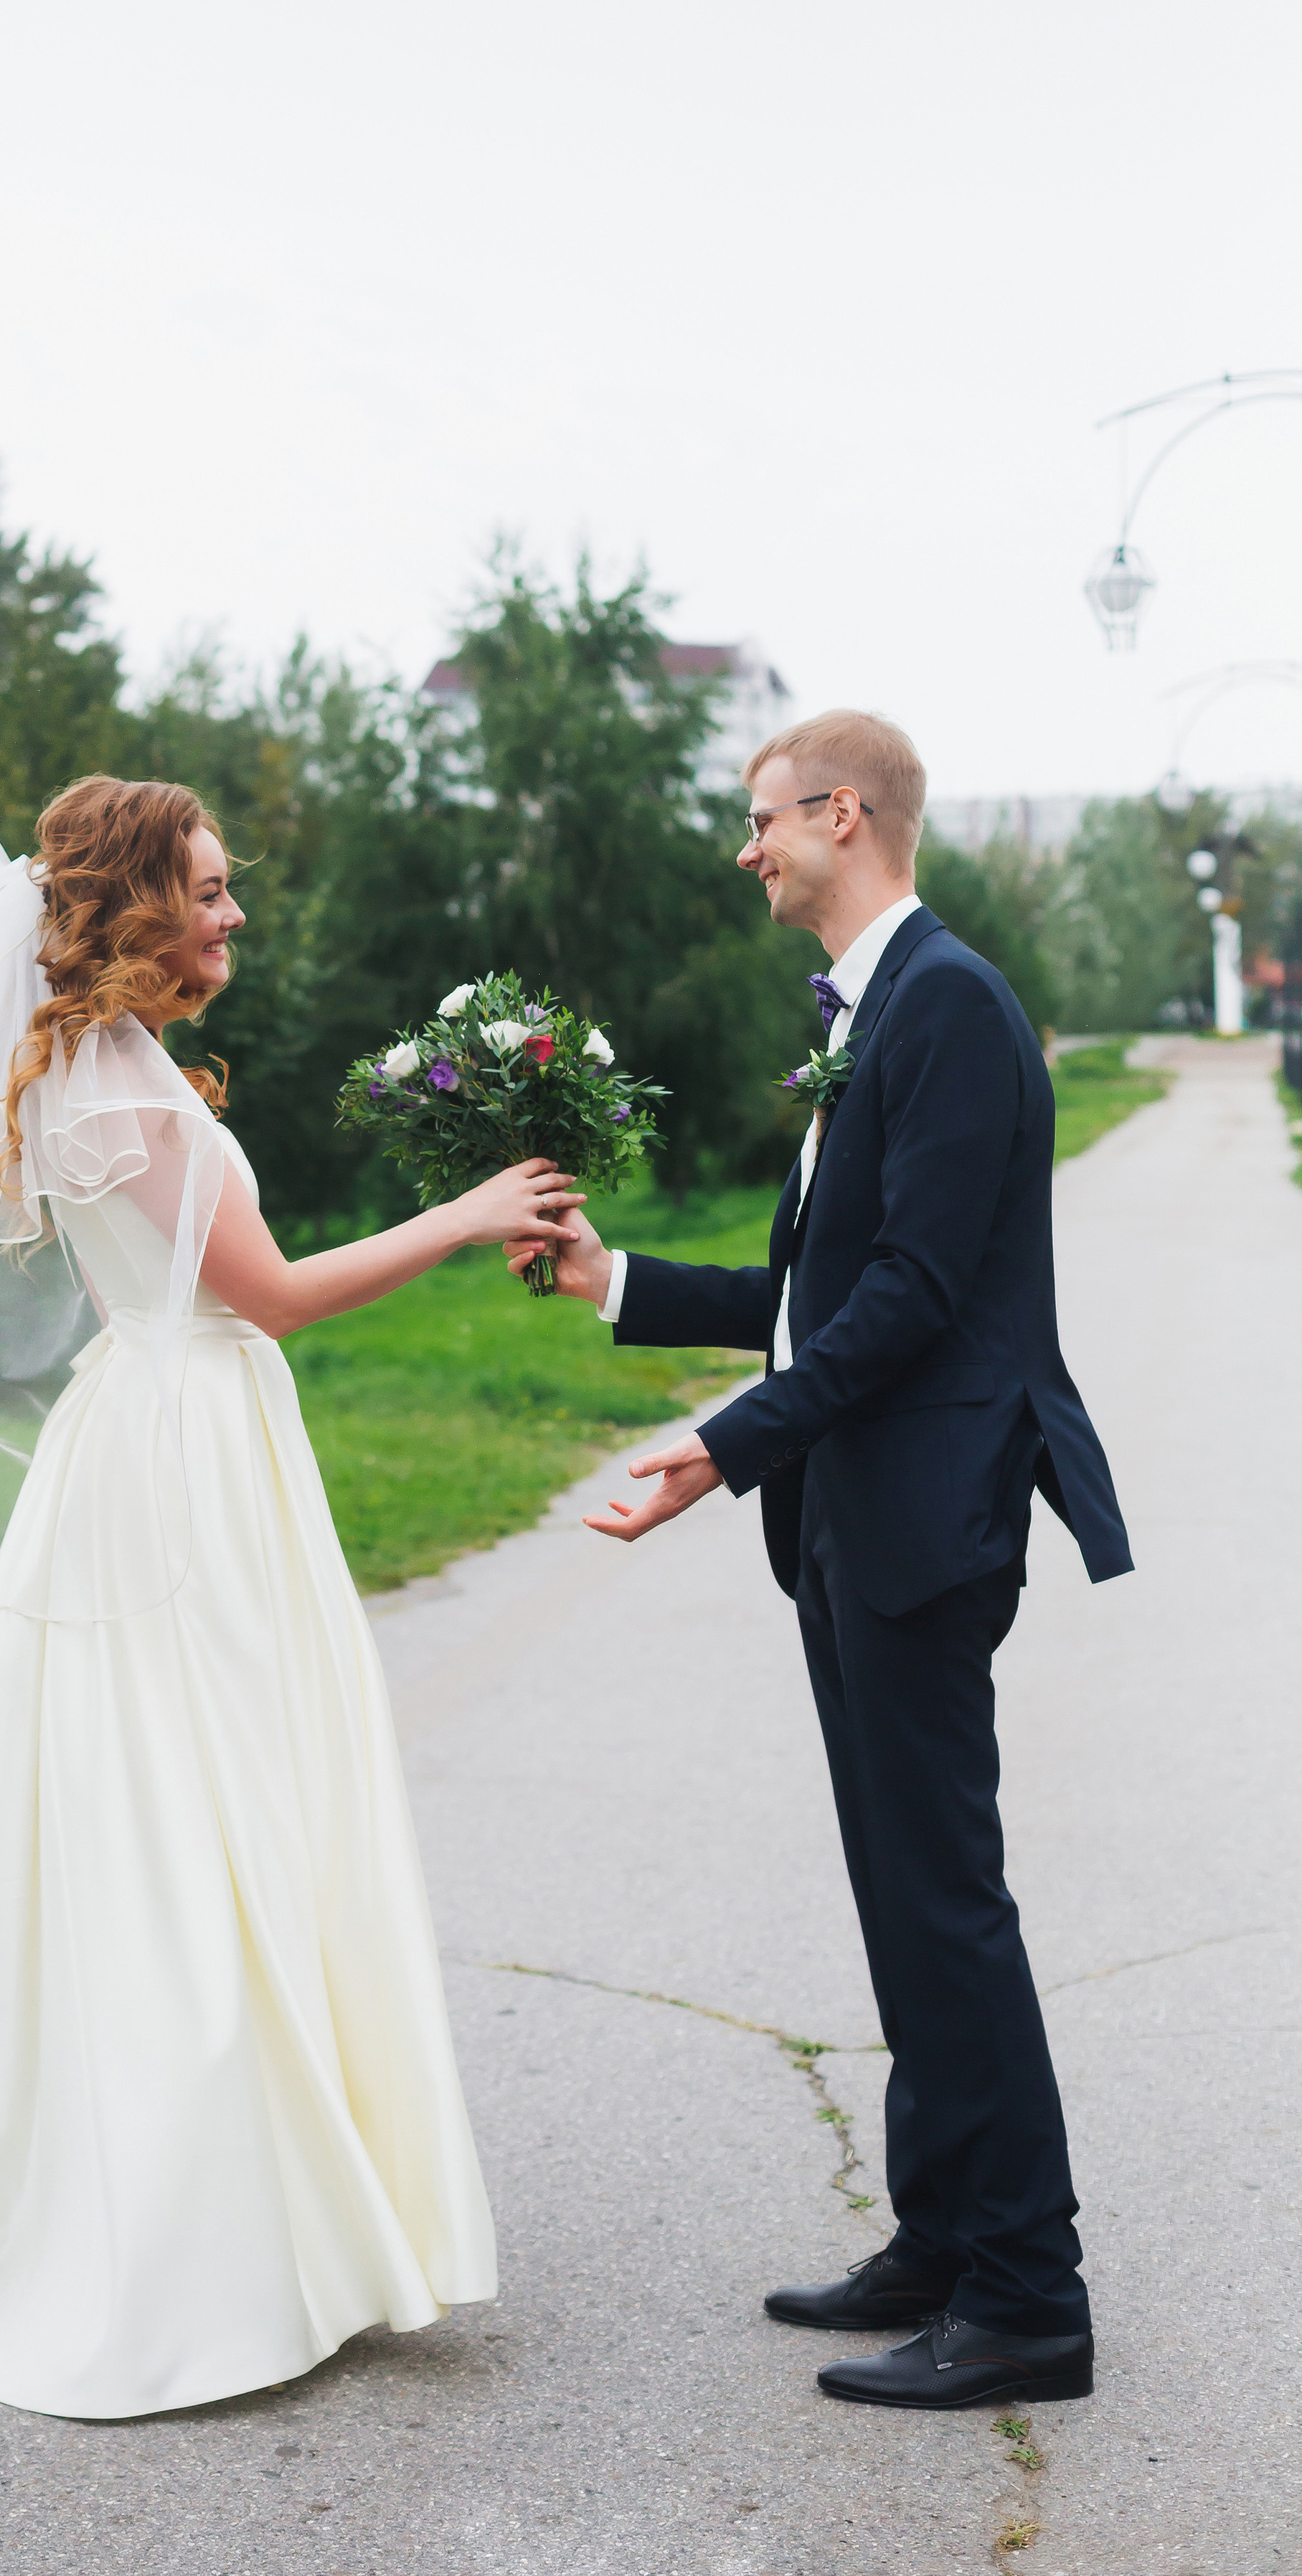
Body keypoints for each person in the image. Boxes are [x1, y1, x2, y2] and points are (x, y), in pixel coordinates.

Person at [0, 751, 578, 2417]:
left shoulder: (113, 1066)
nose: (235, 907)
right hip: (180, 1450)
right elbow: (265, 1296)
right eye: (209, 884)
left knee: (188, 1796)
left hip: (171, 1433)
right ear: (136, 908)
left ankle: (249, 2191)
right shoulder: (110, 1089)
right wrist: (465, 1212)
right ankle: (200, 2228)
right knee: (195, 1807)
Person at [511, 710, 1131, 2413]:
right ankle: (941, 2235)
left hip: (924, 1522)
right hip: (860, 1522)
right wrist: (613, 1281)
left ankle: (1025, 2299)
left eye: (759, 822)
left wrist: (721, 1451)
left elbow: (914, 1300)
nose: (746, 850)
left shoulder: (946, 1008)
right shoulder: (876, 1014)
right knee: (898, 1893)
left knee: (943, 1899)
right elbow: (814, 1286)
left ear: (838, 814)